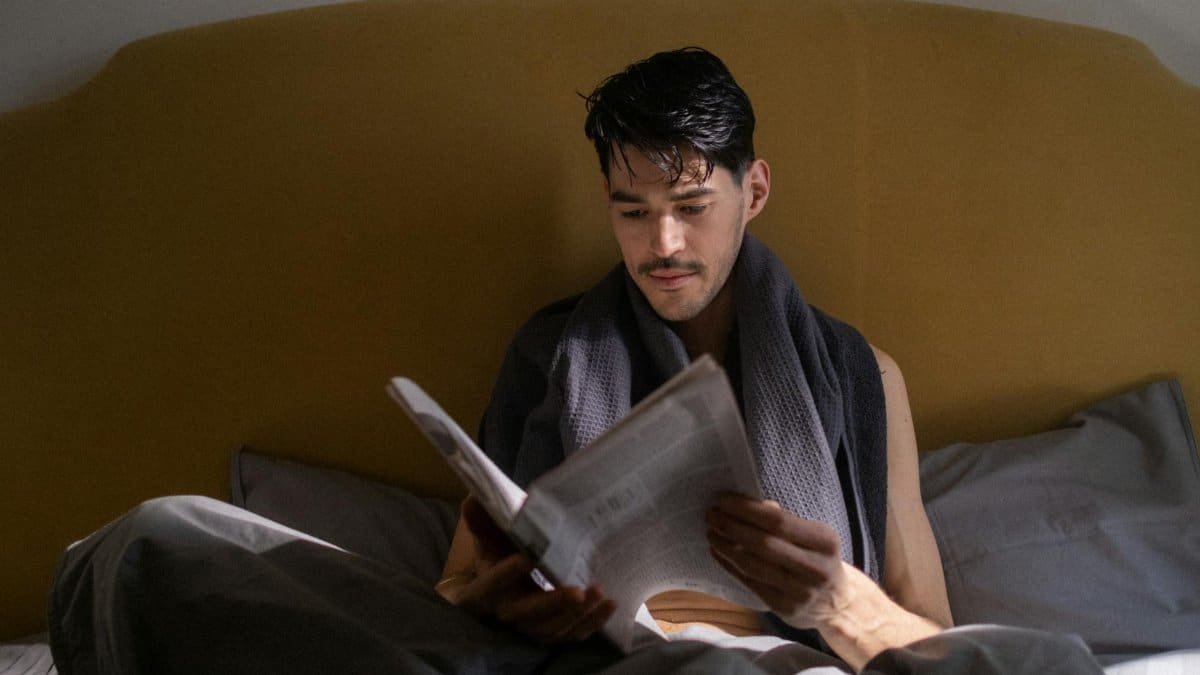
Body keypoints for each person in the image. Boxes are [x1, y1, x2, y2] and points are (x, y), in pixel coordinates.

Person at [433, 46, 953, 672]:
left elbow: (938, 645)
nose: (664, 245)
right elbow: (457, 585)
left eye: (692, 207)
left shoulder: (865, 377)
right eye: (633, 212)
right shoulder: (549, 355)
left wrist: (838, 602)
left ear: (753, 191)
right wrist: (501, 607)